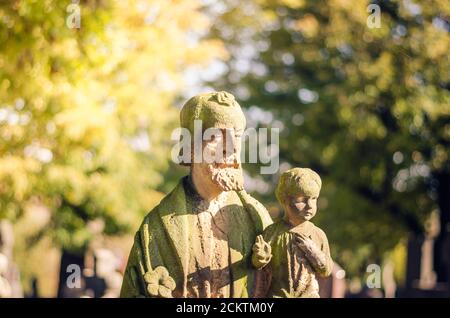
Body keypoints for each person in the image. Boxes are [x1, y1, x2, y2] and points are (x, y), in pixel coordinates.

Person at [120, 91, 272, 298]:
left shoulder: (256, 218)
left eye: (237, 136)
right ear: (190, 146)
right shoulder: (155, 227)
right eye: (218, 136)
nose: (232, 147)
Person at [252, 168, 332, 297]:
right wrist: (261, 257)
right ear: (284, 200)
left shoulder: (318, 234)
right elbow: (257, 266)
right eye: (302, 200)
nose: (310, 205)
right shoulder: (273, 232)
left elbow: (326, 270)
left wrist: (314, 253)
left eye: (314, 198)